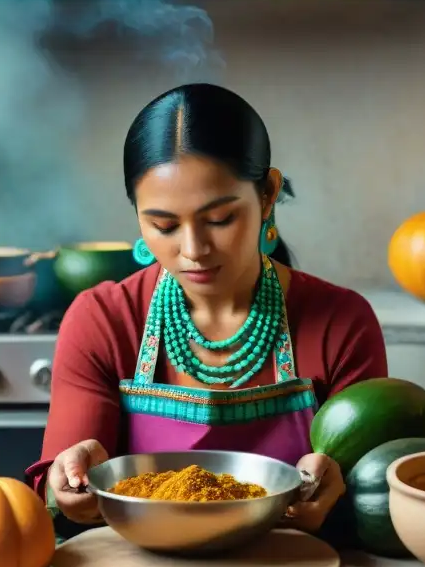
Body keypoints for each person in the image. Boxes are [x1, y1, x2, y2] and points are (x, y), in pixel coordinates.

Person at [25, 83, 388, 534]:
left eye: (219, 220)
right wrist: (69, 486)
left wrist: (338, 493)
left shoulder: (341, 324)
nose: (193, 249)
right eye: (164, 225)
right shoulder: (102, 320)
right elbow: (59, 490)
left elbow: (378, 493)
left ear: (268, 194)